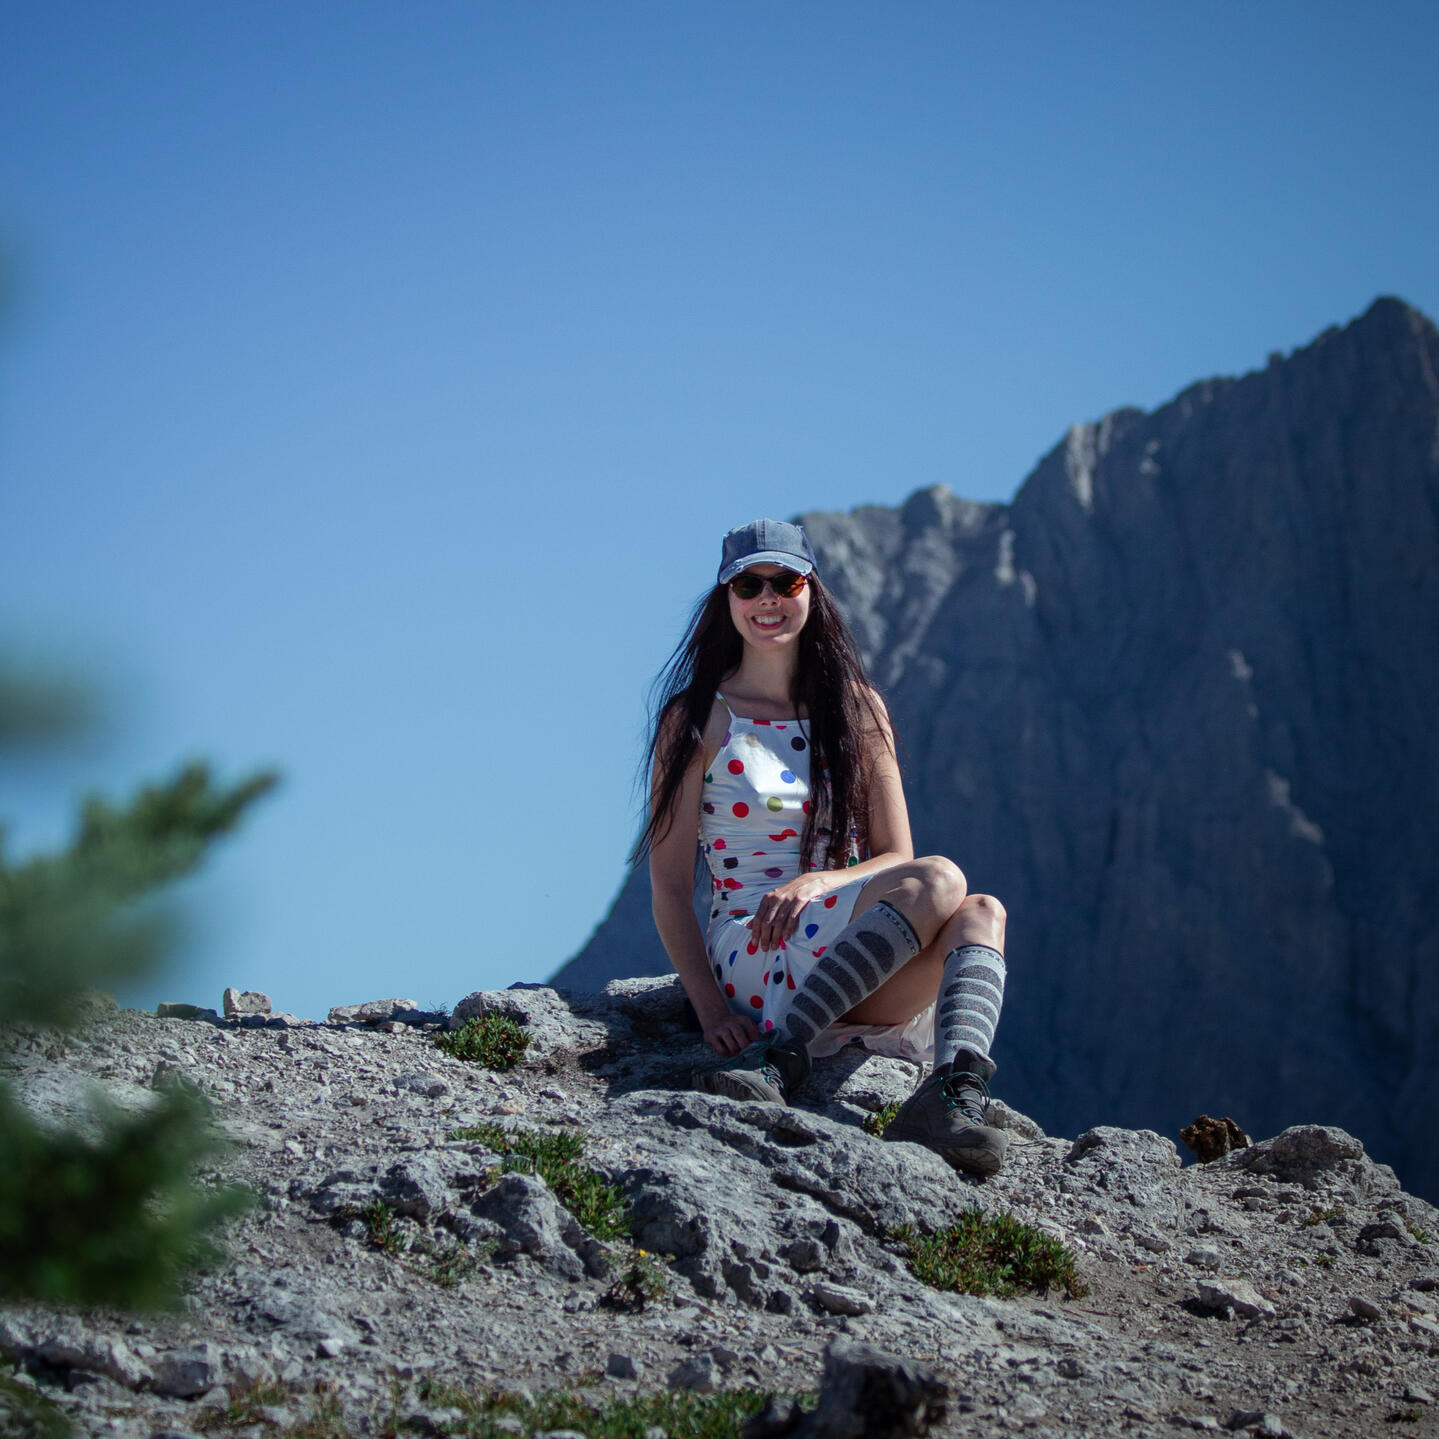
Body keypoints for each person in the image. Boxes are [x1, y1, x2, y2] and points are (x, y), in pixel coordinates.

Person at [637, 518, 1011, 1176]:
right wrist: (710, 1011)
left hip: (846, 943)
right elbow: (668, 885)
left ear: (812, 591)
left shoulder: (856, 708)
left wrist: (819, 882)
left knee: (980, 911)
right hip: (757, 944)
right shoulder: (698, 715)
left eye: (785, 581)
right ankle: (780, 1055)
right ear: (726, 598)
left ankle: (950, 1098)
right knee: (940, 879)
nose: (767, 598)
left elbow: (896, 853)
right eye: (748, 584)